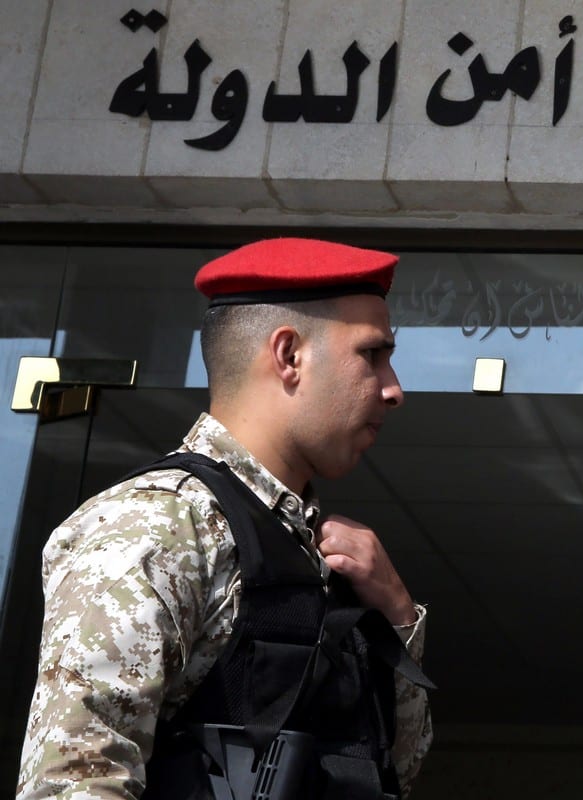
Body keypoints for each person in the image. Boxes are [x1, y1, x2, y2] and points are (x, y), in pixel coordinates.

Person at [17, 238, 433, 799]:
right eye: (372, 354)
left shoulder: (318, 552)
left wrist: (399, 616)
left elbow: (393, 772)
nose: (393, 389)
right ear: (289, 356)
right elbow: (77, 780)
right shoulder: (159, 523)